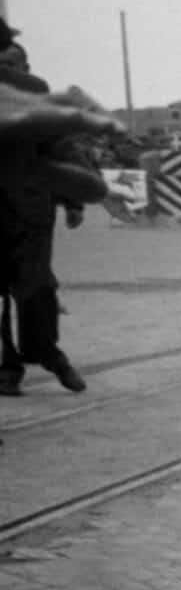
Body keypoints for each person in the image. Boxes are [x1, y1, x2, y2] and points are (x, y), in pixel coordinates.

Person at [0, 27, 89, 396]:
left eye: (14, 64)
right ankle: (8, 368)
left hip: (30, 212)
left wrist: (74, 199)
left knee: (36, 286)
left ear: (27, 67)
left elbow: (62, 150)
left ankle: (49, 354)